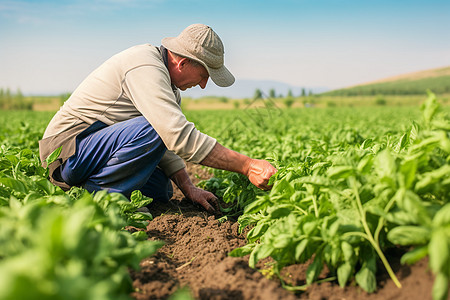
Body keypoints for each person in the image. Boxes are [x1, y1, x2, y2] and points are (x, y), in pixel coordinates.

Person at [39, 23, 277, 212]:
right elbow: (175, 135)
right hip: (67, 151)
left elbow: (168, 145)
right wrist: (248, 165)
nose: (204, 85)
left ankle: (91, 189)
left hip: (93, 150)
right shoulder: (145, 65)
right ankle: (101, 199)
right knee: (155, 128)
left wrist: (188, 187)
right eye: (204, 75)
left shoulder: (170, 86)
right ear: (182, 63)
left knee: (160, 191)